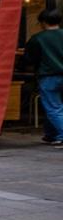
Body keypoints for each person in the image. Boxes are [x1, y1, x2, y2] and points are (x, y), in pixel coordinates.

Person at [26, 8, 63, 147]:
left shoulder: (38, 38)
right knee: (54, 107)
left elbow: (29, 59)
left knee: (53, 107)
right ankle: (52, 135)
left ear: (43, 22)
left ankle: (61, 135)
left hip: (49, 76)